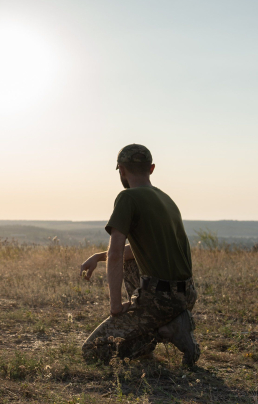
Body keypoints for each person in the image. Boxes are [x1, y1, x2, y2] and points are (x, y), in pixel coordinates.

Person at [79, 144, 200, 366]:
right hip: (186, 295)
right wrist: (98, 256)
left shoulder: (128, 198)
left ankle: (166, 327)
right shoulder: (165, 198)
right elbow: (141, 251)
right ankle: (167, 324)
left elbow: (116, 254)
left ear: (121, 170)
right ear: (151, 169)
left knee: (92, 352)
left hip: (160, 299)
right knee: (132, 264)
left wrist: (116, 306)